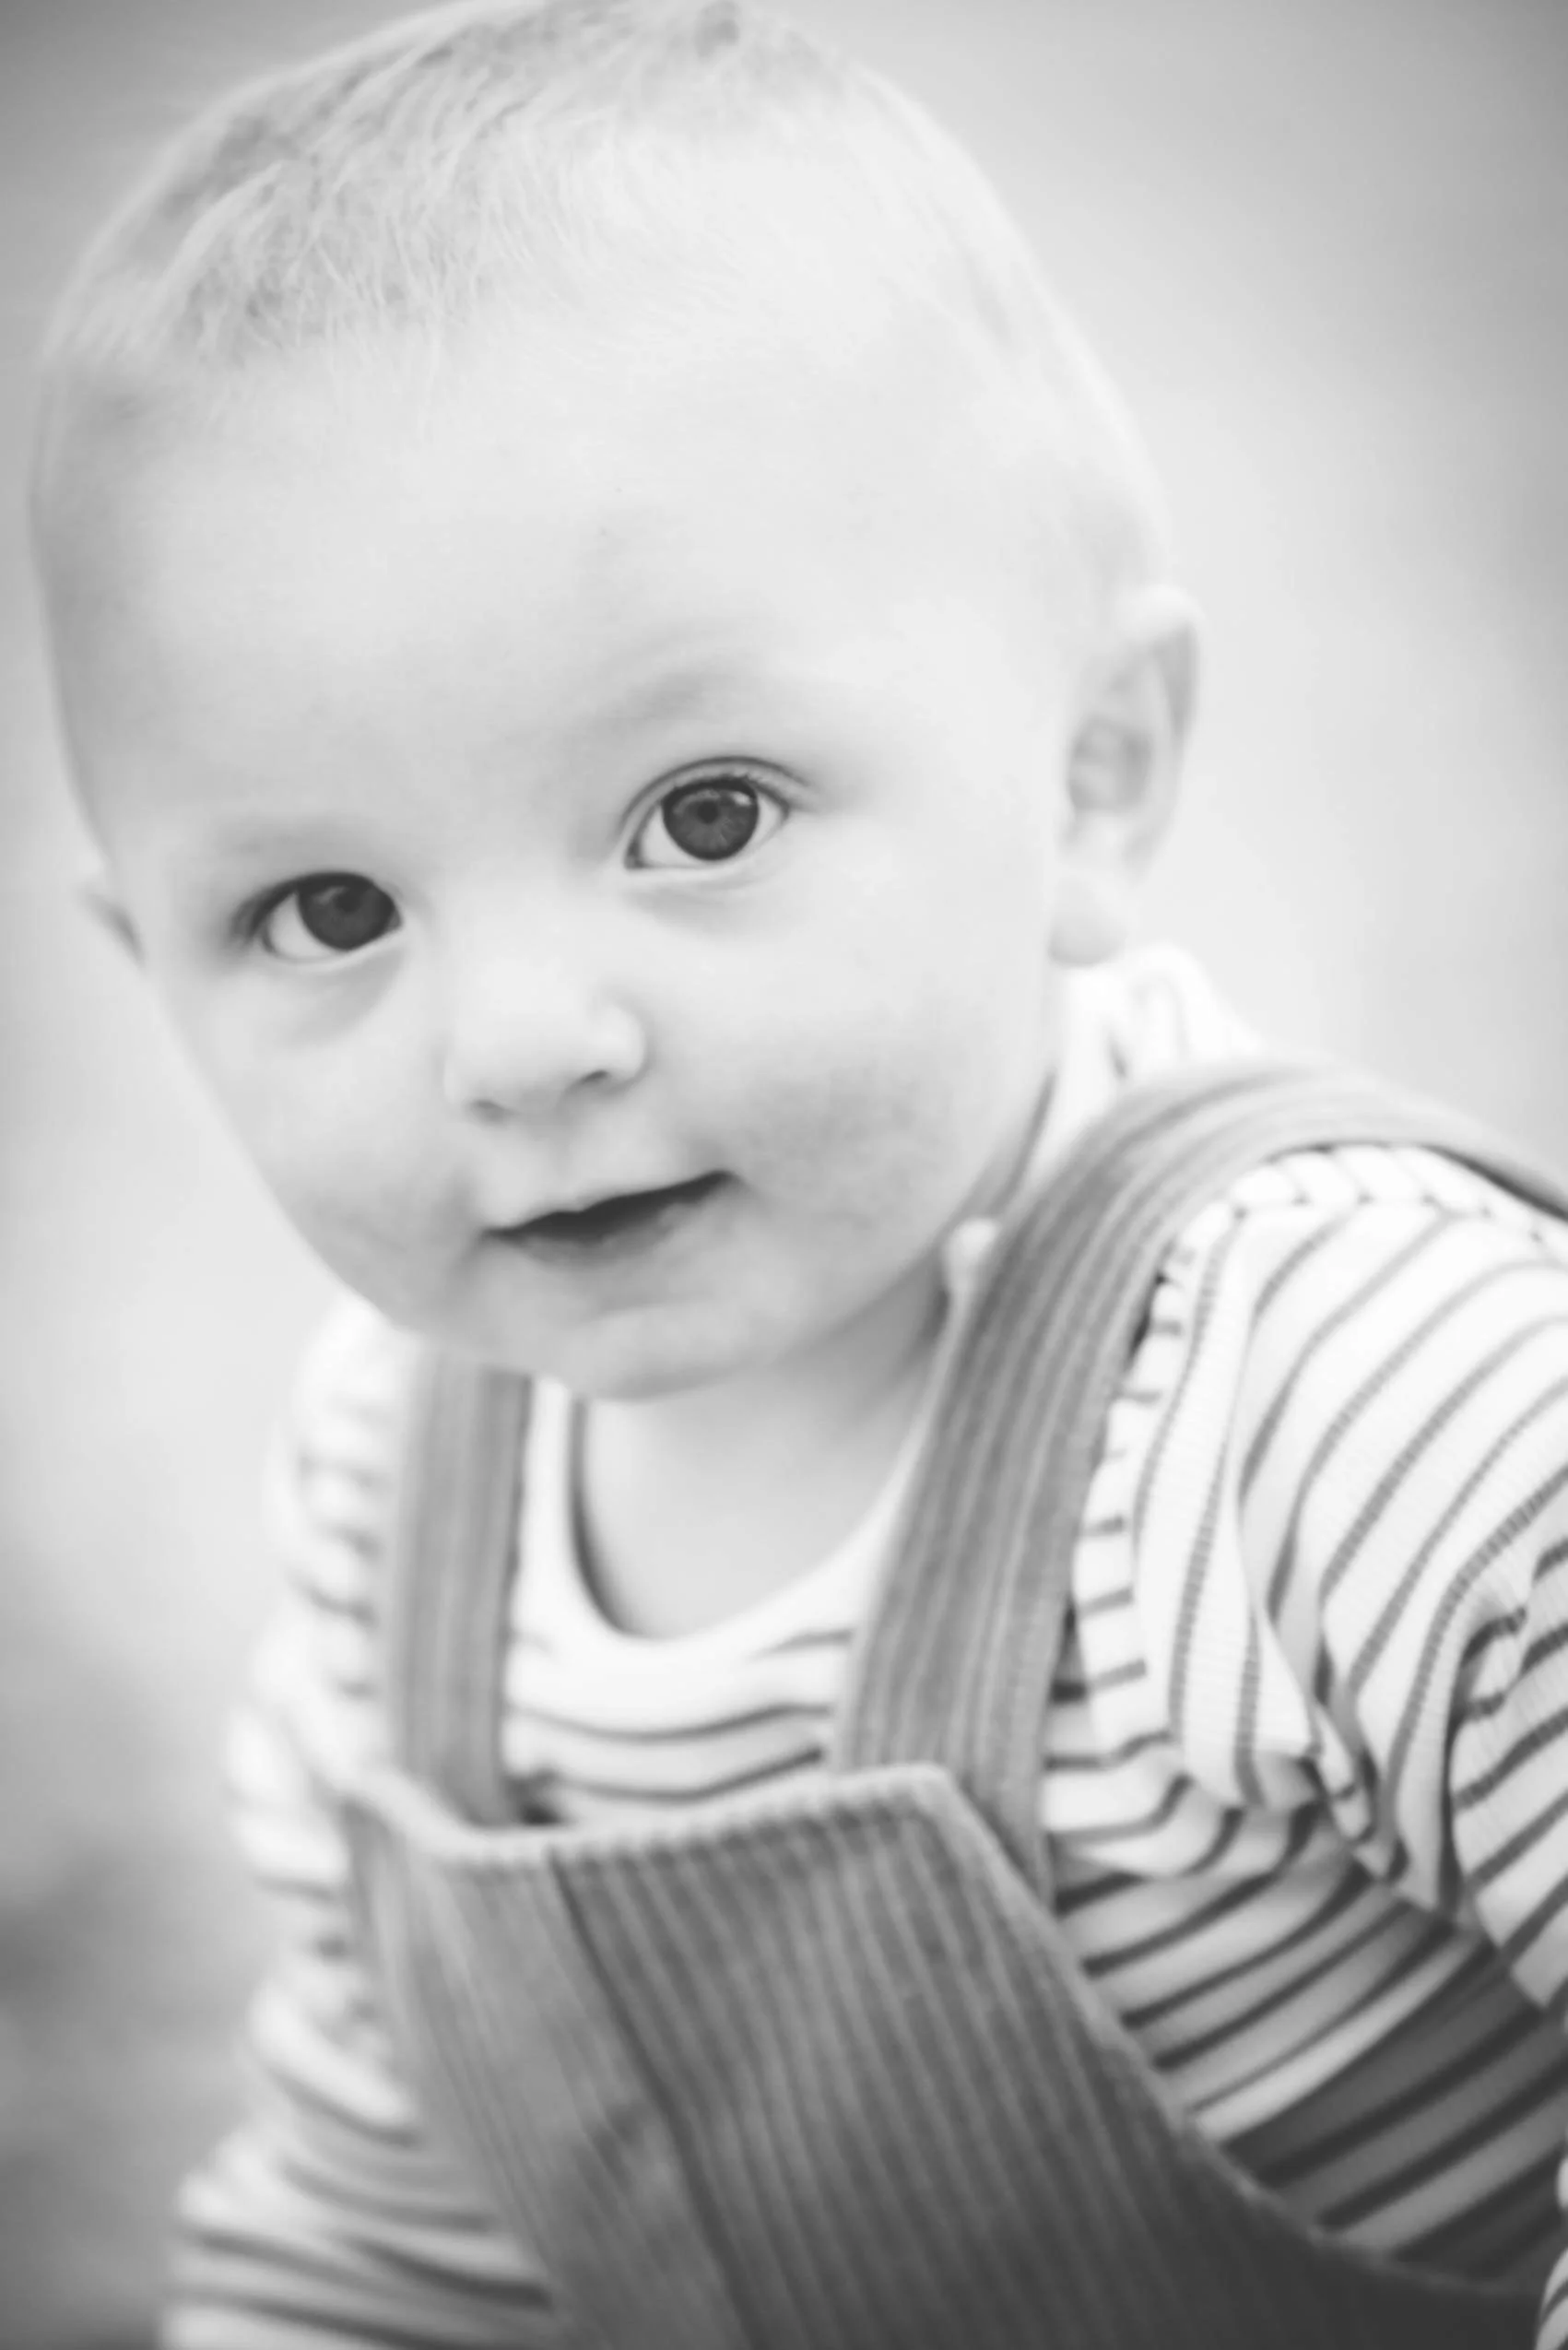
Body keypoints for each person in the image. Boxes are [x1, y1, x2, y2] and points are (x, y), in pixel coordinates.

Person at [27, 1, 1568, 2343]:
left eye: (706, 815)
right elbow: (386, 2236)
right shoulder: (399, 1503)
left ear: (1092, 778)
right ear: (151, 960)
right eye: (329, 912)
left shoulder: (1334, 1375)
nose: (527, 1042)